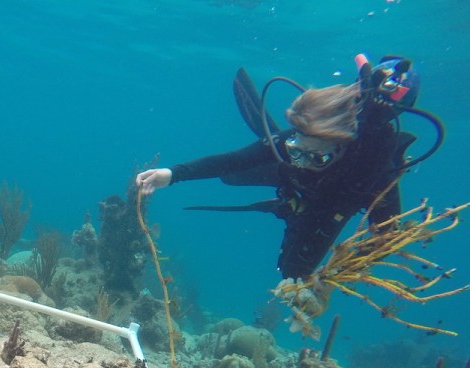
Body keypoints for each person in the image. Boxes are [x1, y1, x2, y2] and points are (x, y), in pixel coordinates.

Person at [136, 55, 442, 280]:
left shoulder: (374, 171)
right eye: (297, 148)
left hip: (329, 206)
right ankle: (284, 182)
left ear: (342, 147)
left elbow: (385, 236)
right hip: (288, 178)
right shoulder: (296, 142)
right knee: (234, 174)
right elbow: (232, 159)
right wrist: (172, 174)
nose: (302, 162)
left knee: (293, 273)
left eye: (316, 157)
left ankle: (288, 206)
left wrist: (336, 273)